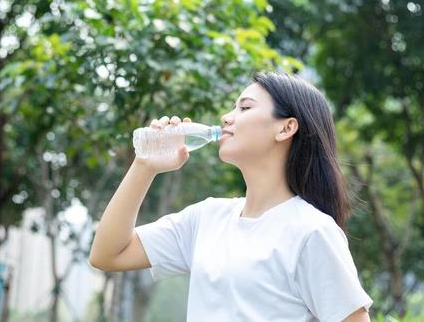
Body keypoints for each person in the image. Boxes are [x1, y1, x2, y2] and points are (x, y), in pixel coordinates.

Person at [89, 71, 373, 321]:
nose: (226, 117)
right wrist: (144, 166)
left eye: (245, 107)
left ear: (286, 127)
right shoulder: (207, 218)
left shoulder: (311, 231)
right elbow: (108, 254)